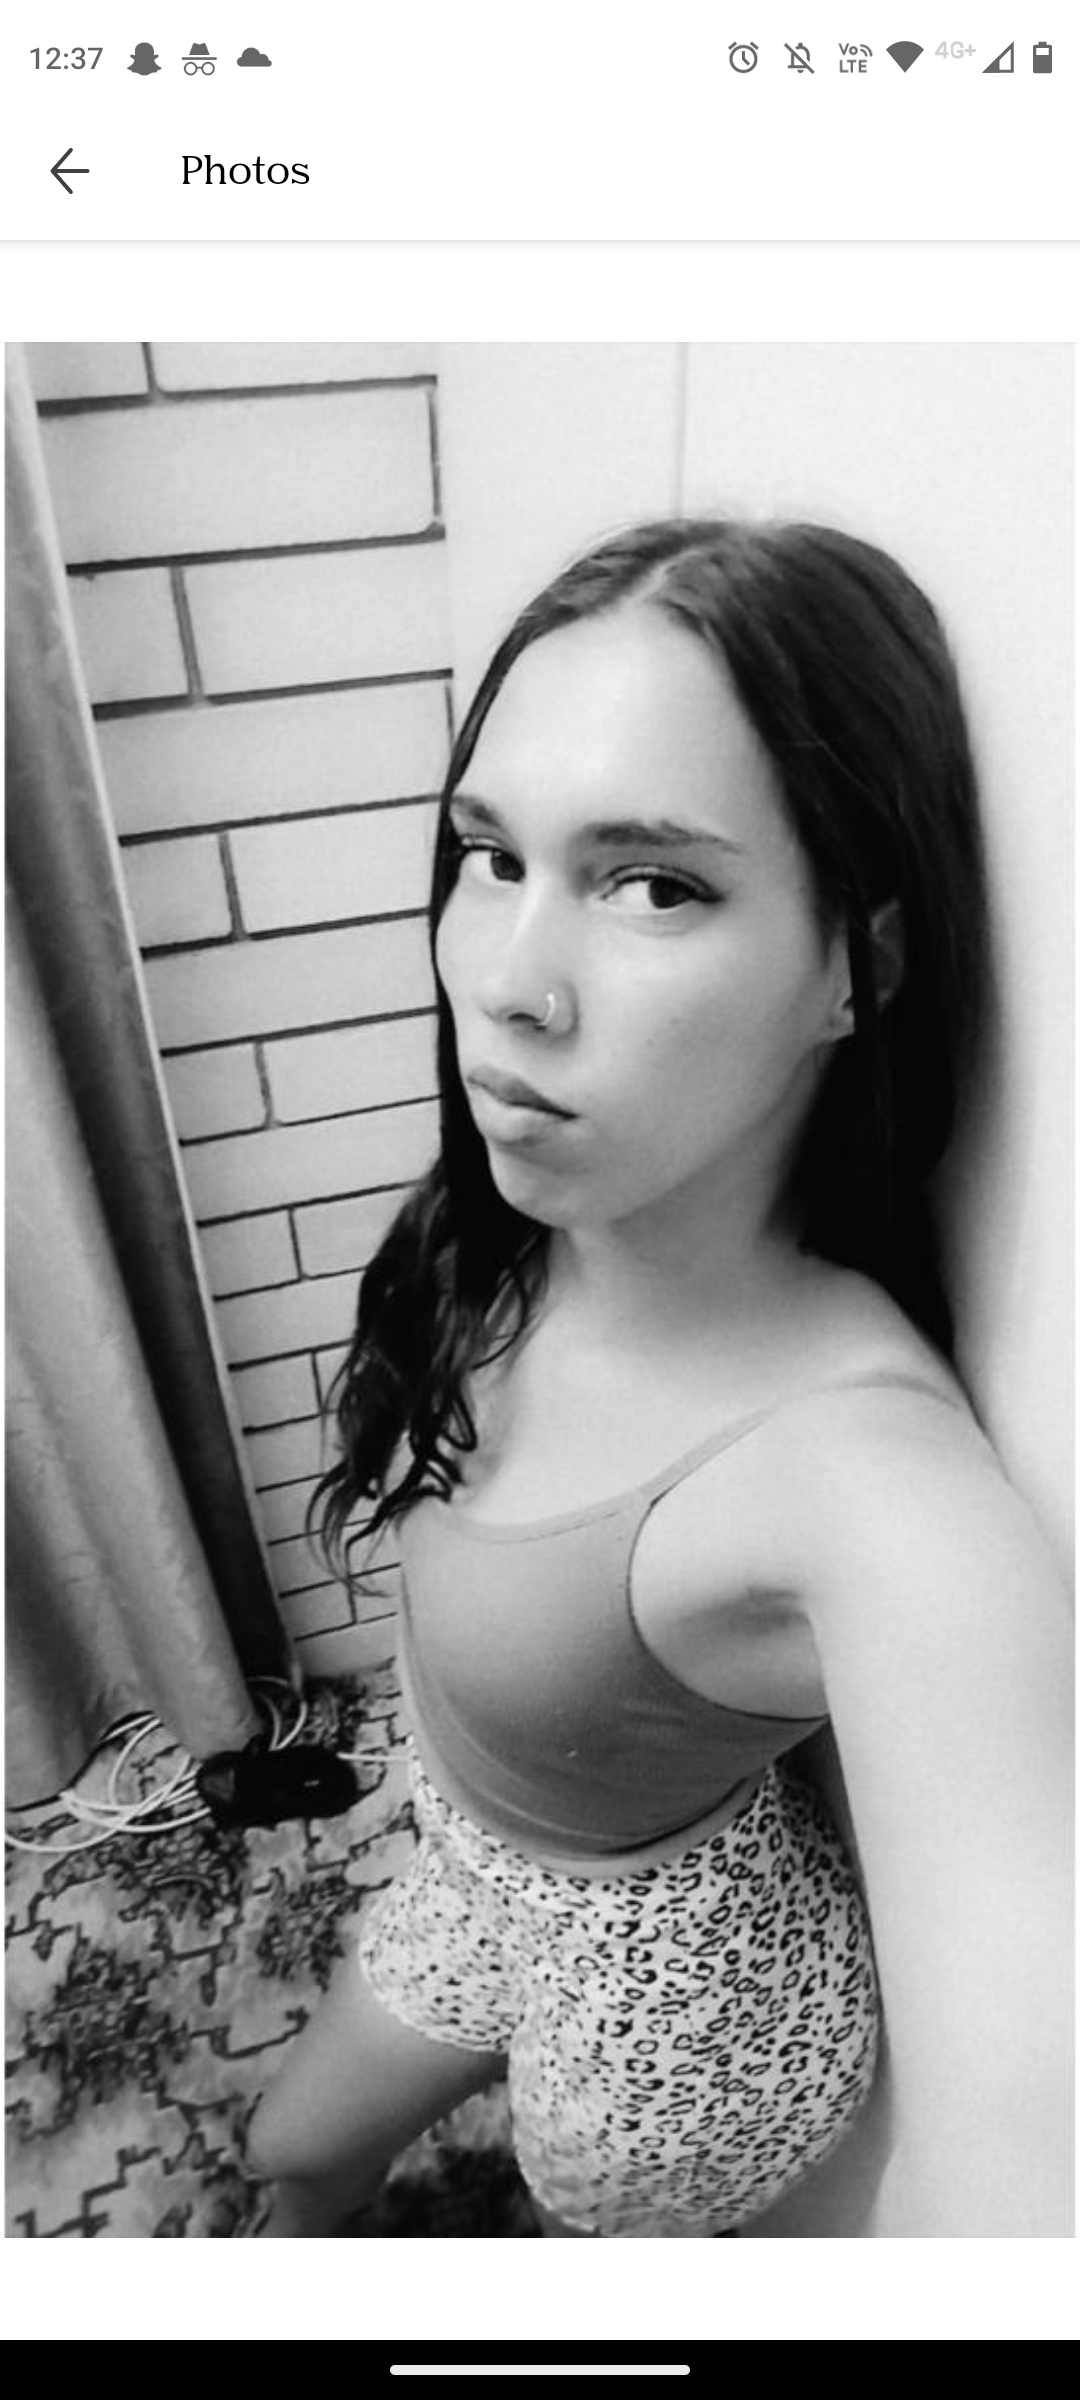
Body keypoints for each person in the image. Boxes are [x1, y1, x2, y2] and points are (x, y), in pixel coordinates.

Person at [247, 517, 1071, 2238]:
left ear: (859, 964)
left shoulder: (876, 1492)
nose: (505, 986)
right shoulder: (519, 1220)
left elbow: (1021, 2183)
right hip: (473, 1865)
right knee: (286, 2155)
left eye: (655, 886)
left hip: (676, 2022)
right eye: (491, 855)